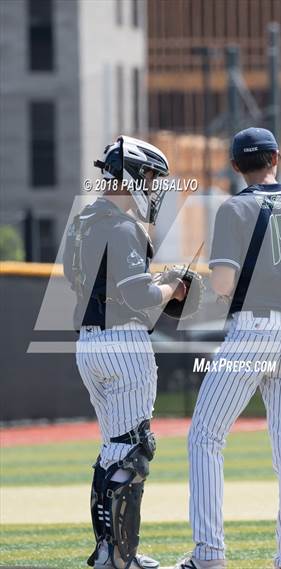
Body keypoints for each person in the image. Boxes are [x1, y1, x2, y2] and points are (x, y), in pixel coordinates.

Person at [174, 128, 281, 569]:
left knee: (204, 438)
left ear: (236, 166)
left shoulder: (235, 207)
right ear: (278, 157)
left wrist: (190, 287)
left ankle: (209, 555)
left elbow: (225, 285)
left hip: (255, 331)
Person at [63, 135, 186, 569]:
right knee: (133, 450)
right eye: (150, 176)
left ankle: (106, 552)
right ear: (132, 173)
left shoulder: (83, 222)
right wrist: (173, 283)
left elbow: (79, 279)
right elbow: (139, 294)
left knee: (113, 450)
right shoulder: (122, 223)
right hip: (122, 344)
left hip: (89, 343)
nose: (153, 186)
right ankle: (120, 556)